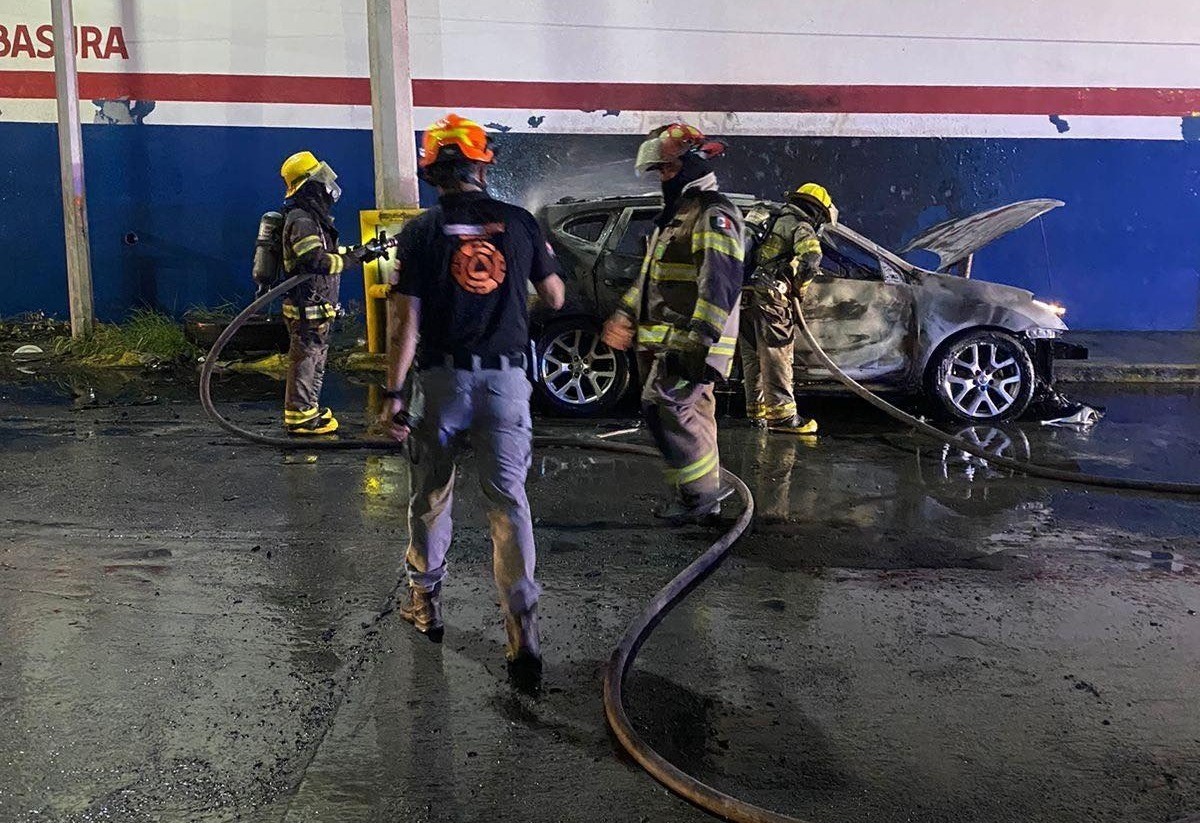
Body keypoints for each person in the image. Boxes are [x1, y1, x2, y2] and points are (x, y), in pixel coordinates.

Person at [377, 114, 565, 676]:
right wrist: (508, 308)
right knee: (508, 504)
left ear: (432, 173)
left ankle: (425, 605)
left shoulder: (420, 232)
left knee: (431, 495)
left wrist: (392, 393)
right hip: (506, 384)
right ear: (484, 166)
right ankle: (522, 632)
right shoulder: (521, 223)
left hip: (441, 383)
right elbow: (555, 297)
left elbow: (403, 324)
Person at [601, 123, 744, 525]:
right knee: (693, 415)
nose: (662, 178)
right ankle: (703, 499)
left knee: (662, 404)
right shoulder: (679, 216)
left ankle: (700, 496)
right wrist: (625, 315)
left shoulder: (713, 213)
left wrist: (698, 342)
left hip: (691, 345)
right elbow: (649, 279)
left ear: (692, 165)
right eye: (660, 171)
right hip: (669, 342)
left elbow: (720, 283)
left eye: (667, 169)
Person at [278, 151, 382, 435]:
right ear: (310, 185)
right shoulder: (301, 220)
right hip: (306, 306)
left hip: (316, 306)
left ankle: (308, 409)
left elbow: (329, 253)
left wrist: (361, 251)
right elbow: (317, 261)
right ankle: (300, 416)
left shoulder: (312, 218)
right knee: (306, 359)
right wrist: (354, 260)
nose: (328, 185)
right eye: (320, 180)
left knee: (314, 359)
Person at [738, 183, 836, 435]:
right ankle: (783, 418)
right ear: (816, 211)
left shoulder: (770, 218)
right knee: (776, 354)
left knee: (752, 356)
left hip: (745, 295)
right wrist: (799, 288)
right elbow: (812, 260)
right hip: (771, 298)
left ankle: (757, 411)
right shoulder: (800, 226)